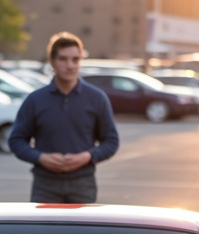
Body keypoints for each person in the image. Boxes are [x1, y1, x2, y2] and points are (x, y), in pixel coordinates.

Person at [8, 32, 120, 203]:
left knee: (82, 223)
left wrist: (88, 156)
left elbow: (111, 141)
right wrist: (40, 157)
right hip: (45, 185)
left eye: (75, 59)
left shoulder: (97, 98)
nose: (70, 65)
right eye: (63, 59)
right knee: (44, 223)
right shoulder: (35, 100)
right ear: (52, 61)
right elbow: (16, 140)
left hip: (82, 184)